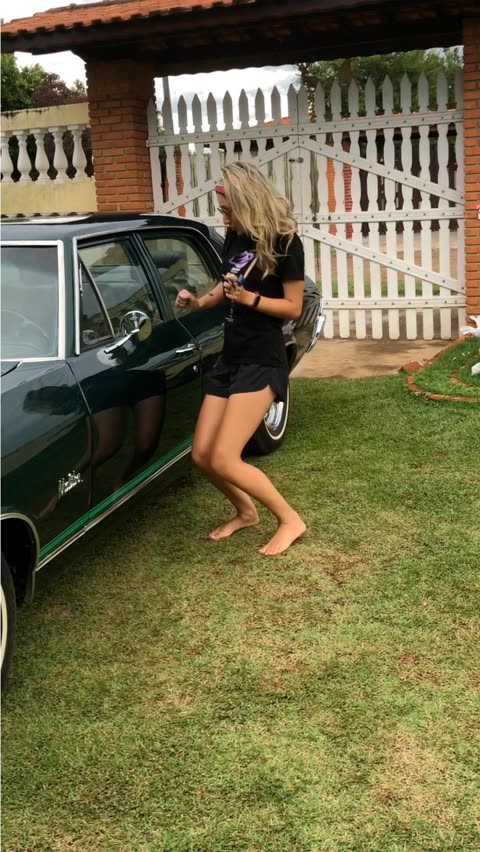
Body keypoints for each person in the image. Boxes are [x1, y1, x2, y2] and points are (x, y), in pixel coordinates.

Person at [176, 162, 306, 555]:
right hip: (232, 356)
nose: (225, 218)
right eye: (223, 211)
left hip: (262, 358)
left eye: (229, 211)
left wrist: (251, 299)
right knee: (202, 455)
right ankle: (246, 512)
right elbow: (227, 284)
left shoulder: (285, 243)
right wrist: (199, 303)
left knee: (225, 457)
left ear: (249, 203)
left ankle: (290, 520)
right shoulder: (235, 236)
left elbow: (294, 308)